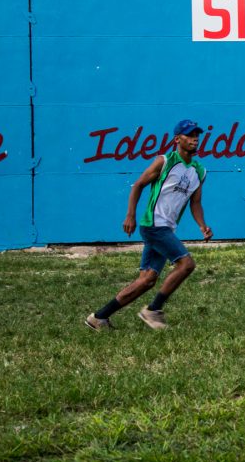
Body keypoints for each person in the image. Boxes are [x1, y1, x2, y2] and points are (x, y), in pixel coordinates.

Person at [85, 119, 213, 331]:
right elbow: (138, 185)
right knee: (186, 264)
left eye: (197, 135)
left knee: (147, 280)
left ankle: (99, 318)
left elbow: (196, 202)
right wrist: (130, 215)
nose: (195, 139)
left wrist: (202, 225)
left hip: (167, 227)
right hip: (153, 225)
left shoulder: (199, 171)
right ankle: (153, 310)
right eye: (190, 135)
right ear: (177, 139)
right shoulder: (164, 161)